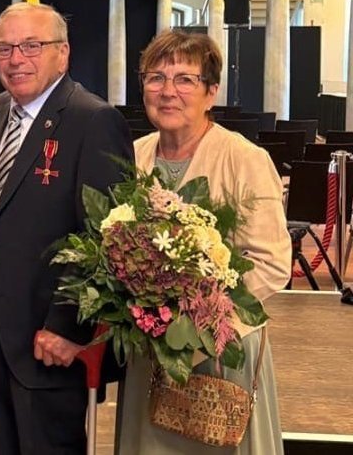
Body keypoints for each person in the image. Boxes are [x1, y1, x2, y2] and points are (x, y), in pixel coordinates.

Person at [117, 29, 290, 454]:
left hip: (219, 352)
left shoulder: (244, 158)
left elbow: (270, 263)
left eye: (185, 80)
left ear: (211, 92)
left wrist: (194, 315)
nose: (167, 91)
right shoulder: (135, 155)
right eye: (155, 78)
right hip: (151, 352)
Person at [0, 3, 133, 455]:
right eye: (5, 48)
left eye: (31, 46)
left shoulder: (93, 119)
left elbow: (105, 238)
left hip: (50, 334)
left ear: (62, 53)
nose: (16, 58)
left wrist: (69, 327)